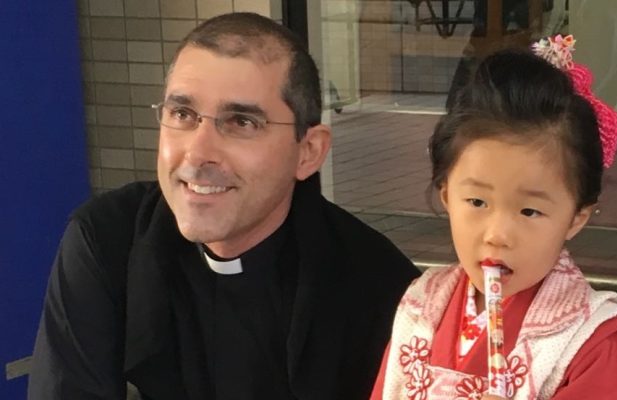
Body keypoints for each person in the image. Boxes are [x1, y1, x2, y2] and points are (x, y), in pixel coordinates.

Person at [29, 12, 420, 400]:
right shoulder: (107, 240)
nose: (198, 153)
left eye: (241, 122)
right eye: (183, 114)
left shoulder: (377, 287)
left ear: (308, 152)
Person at [370, 36, 617, 399]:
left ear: (577, 217)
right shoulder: (422, 304)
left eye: (529, 210)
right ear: (447, 195)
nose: (497, 234)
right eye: (477, 201)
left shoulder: (594, 343)